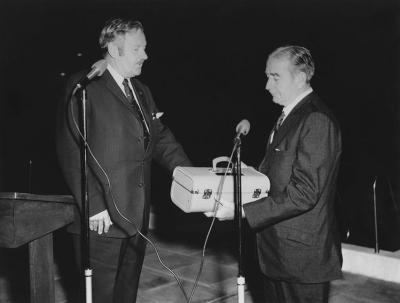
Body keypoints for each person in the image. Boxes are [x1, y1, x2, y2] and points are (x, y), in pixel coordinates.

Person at [56, 18, 191, 303]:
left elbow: (160, 138)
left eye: (145, 48)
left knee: (125, 295)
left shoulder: (141, 90)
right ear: (114, 50)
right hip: (101, 220)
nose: (145, 55)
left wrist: (188, 173)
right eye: (137, 49)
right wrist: (94, 206)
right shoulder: (84, 87)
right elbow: (71, 148)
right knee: (99, 297)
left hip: (135, 217)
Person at [206, 45, 342, 302]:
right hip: (276, 252)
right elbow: (280, 173)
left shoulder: (316, 120)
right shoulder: (289, 116)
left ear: (301, 77)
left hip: (301, 260)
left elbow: (305, 192)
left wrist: (242, 210)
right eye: (267, 76)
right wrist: (251, 173)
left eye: (275, 76)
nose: (267, 85)